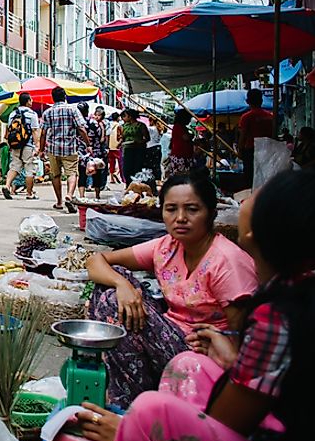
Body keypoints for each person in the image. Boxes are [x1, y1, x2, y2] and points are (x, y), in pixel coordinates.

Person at [75, 169, 315, 441]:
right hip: (310, 435)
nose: (180, 217)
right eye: (171, 209)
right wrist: (235, 358)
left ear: (259, 233)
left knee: (149, 412)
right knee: (186, 364)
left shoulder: (278, 312)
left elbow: (224, 426)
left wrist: (136, 430)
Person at [85, 170, 258, 408]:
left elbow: (244, 339)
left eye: (192, 209)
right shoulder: (167, 247)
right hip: (170, 337)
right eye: (171, 209)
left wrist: (223, 344)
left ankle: (131, 400)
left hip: (202, 356)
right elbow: (96, 261)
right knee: (109, 285)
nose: (180, 218)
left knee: (112, 303)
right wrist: (122, 284)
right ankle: (133, 390)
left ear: (211, 214)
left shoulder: (226, 261)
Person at [39, 87, 89, 213]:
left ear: (52, 98)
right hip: (70, 148)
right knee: (72, 173)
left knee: (56, 175)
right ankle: (70, 195)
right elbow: (81, 129)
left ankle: (59, 202)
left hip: (52, 148)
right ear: (65, 96)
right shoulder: (73, 110)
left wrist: (41, 150)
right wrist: (88, 144)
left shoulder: (47, 112)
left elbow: (43, 133)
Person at [2, 91, 40, 200]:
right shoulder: (32, 114)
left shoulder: (13, 114)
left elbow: (9, 130)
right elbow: (34, 131)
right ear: (28, 101)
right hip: (28, 145)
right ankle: (29, 193)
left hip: (15, 144)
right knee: (29, 168)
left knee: (15, 166)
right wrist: (37, 146)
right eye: (31, 100)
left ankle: (7, 185)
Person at [238, 88, 274, 188]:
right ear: (261, 101)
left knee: (251, 179)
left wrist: (240, 151)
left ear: (248, 101)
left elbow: (243, 135)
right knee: (265, 178)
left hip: (252, 151)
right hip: (268, 150)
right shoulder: (270, 116)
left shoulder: (246, 117)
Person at [77, 104, 107, 199]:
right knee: (96, 174)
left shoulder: (77, 122)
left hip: (82, 151)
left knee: (82, 174)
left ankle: (82, 196)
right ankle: (97, 196)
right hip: (95, 151)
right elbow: (101, 139)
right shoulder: (95, 123)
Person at [164, 109, 200, 178]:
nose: (189, 120)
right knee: (180, 175)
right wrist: (191, 135)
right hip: (180, 156)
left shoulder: (183, 127)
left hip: (185, 155)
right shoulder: (178, 127)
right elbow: (185, 137)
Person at [119, 108, 150, 184]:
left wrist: (139, 142)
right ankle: (128, 184)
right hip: (127, 149)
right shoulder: (124, 126)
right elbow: (122, 137)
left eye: (125, 116)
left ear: (130, 116)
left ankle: (137, 184)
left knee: (137, 168)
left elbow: (147, 138)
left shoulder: (141, 125)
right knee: (127, 169)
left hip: (139, 149)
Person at [106, 112, 122, 183]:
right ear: (118, 118)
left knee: (112, 163)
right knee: (120, 162)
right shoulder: (119, 125)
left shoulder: (109, 124)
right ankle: (117, 174)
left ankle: (112, 178)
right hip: (117, 146)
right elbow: (121, 136)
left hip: (110, 146)